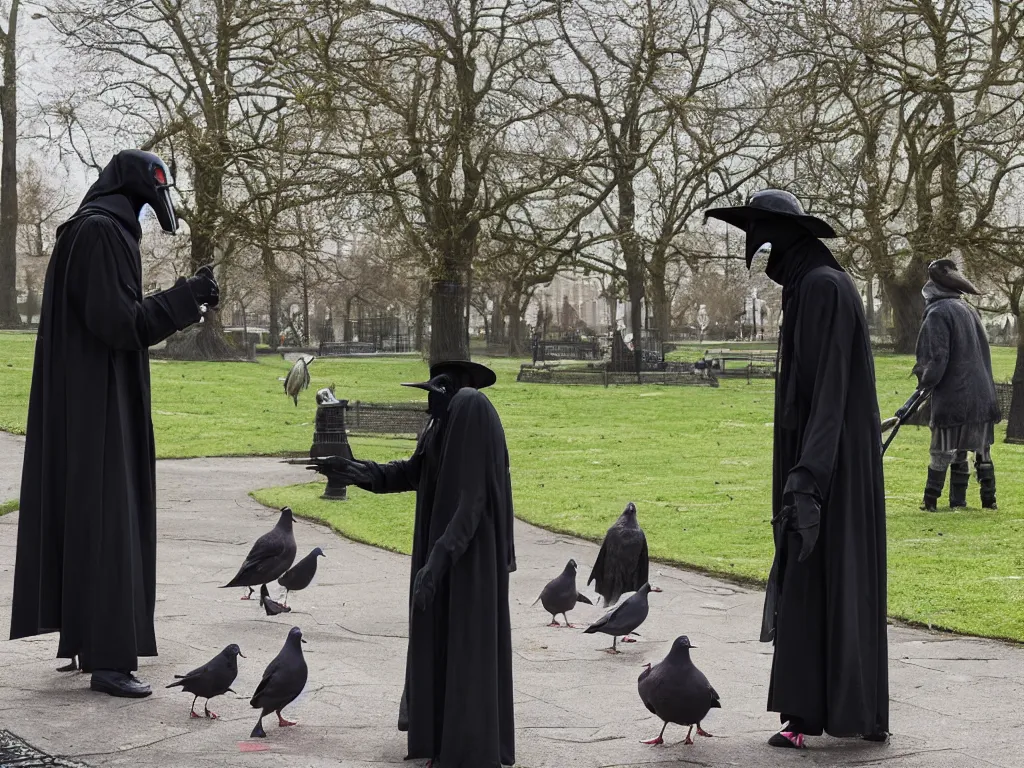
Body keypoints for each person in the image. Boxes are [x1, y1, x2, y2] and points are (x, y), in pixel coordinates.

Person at [10, 149, 220, 698]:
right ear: (134, 193)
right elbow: (119, 324)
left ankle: (89, 640)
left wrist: (180, 299)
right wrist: (187, 297)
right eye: (149, 204)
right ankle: (106, 658)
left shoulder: (93, 228)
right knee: (108, 522)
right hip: (99, 404)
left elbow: (113, 317)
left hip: (91, 399)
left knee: (94, 517)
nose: (153, 214)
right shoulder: (101, 233)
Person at [706, 190, 888, 747]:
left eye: (760, 234)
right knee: (815, 574)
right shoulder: (812, 285)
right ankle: (810, 712)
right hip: (822, 454)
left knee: (822, 572)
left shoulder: (823, 288)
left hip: (828, 463)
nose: (756, 248)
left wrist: (808, 477)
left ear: (781, 235)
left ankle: (818, 713)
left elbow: (830, 390)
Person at [309, 360, 516, 768]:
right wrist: (358, 472)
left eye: (432, 395)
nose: (426, 407)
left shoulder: (472, 410)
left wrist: (438, 561)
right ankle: (440, 738)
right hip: (446, 551)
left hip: (467, 560)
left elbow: (472, 503)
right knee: (441, 638)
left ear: (451, 391)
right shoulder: (441, 424)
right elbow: (413, 472)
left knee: (464, 644)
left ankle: (466, 749)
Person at [909, 259, 1000, 511]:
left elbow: (937, 358)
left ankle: (930, 501)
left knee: (943, 447)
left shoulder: (939, 312)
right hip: (982, 394)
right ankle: (984, 500)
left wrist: (925, 381)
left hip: (955, 394)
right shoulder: (968, 309)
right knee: (979, 448)